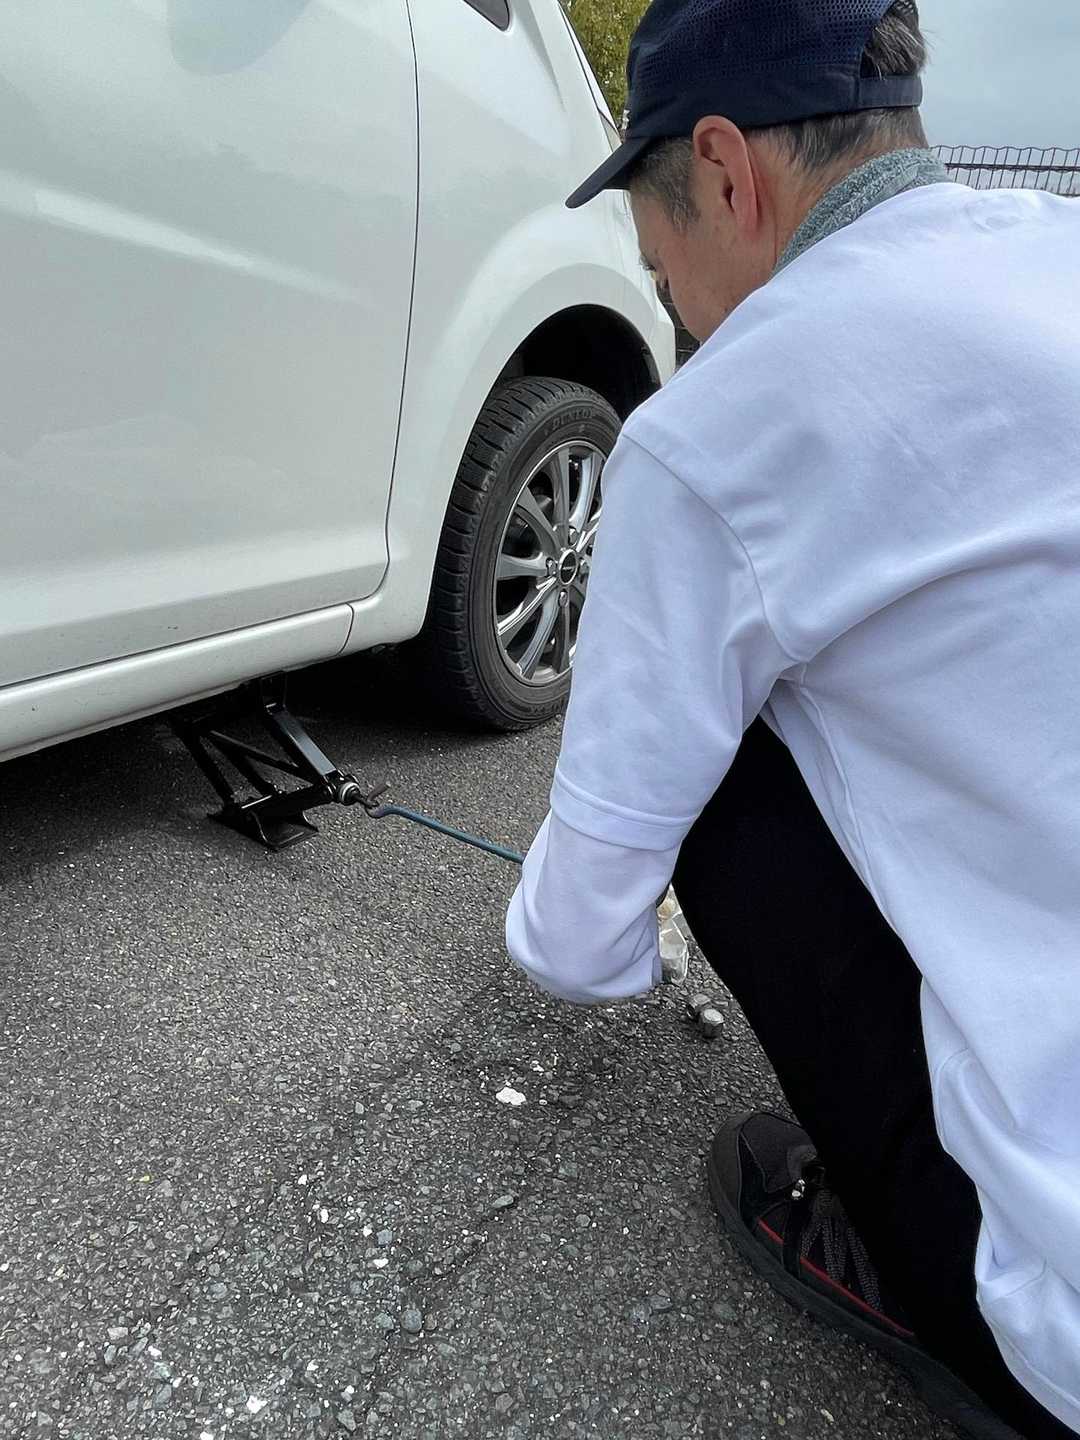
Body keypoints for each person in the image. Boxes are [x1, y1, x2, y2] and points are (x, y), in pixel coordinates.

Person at [504, 1, 1080, 1436]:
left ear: (723, 170)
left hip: (1065, 1321)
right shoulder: (1057, 255)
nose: (674, 302)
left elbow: (575, 938)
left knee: (719, 777)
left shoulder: (717, 426)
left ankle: (926, 1268)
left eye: (660, 263)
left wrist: (598, 904)